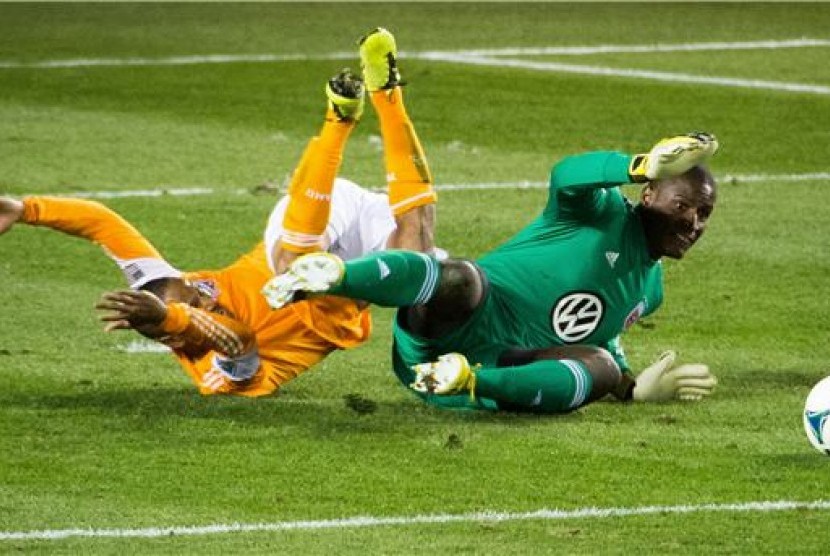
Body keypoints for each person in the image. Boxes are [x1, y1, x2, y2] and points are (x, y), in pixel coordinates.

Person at [0, 28, 437, 397]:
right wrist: (173, 317)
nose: (207, 296)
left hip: (309, 226)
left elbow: (101, 223)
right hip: (335, 301)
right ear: (178, 335)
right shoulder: (218, 375)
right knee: (416, 258)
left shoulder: (167, 284)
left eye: (194, 291)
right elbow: (240, 340)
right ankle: (389, 94)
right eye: (199, 305)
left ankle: (338, 119)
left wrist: (24, 209)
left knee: (292, 269)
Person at [263, 129, 721, 413]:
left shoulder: (650, 289)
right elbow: (566, 174)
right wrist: (638, 165)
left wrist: (632, 388)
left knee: (597, 366)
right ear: (649, 196)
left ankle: (463, 379)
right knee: (462, 276)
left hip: (498, 368)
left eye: (704, 213)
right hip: (452, 323)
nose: (692, 223)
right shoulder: (599, 211)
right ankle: (329, 276)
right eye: (681, 205)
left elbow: (601, 338)